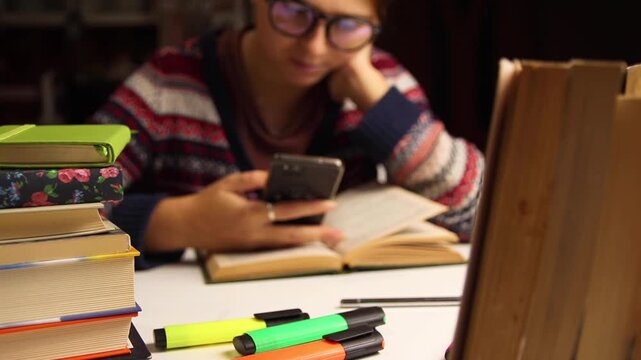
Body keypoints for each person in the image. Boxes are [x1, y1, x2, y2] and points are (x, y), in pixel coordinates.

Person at [91, 0, 484, 269]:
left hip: (339, 314)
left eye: (347, 26)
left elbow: (474, 208)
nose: (314, 47)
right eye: (294, 12)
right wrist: (179, 222)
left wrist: (374, 97)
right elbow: (49, 204)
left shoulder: (382, 81)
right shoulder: (170, 82)